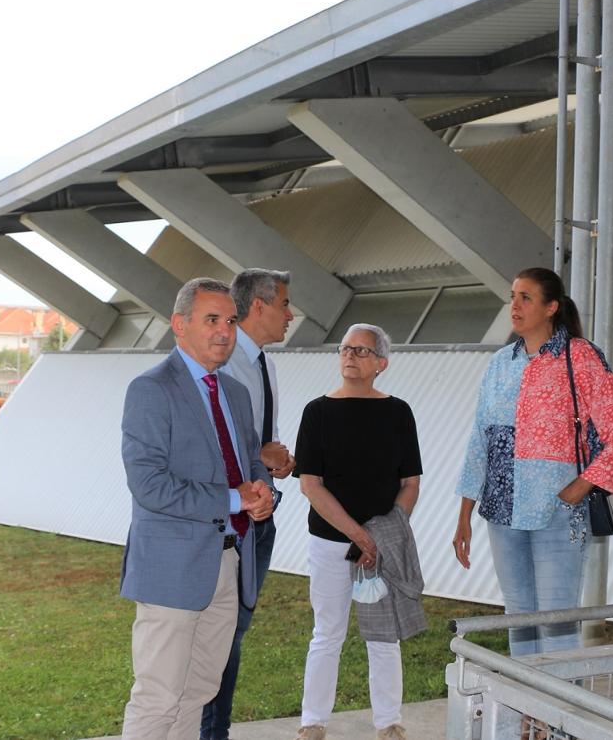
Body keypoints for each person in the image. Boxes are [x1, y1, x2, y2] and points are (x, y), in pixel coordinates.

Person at [452, 267, 613, 656]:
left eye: (526, 298)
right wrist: (464, 513)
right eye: (513, 296)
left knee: (557, 625)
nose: (514, 306)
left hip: (557, 513)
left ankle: (559, 717)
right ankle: (528, 716)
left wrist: (578, 487)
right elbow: (479, 439)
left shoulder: (580, 357)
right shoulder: (500, 363)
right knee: (519, 620)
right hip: (501, 513)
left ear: (552, 307)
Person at [119, 277, 275, 739]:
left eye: (229, 320)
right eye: (212, 320)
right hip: (172, 568)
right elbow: (148, 483)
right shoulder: (150, 389)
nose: (224, 331)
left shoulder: (236, 394)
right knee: (159, 695)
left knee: (199, 690)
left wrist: (264, 494)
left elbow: (250, 464)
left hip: (228, 561)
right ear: (179, 325)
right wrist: (234, 500)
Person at [293, 323, 422, 740]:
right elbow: (311, 484)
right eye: (346, 348)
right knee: (327, 632)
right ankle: (313, 722)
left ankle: (389, 723)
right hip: (331, 542)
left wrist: (382, 534)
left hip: (380, 546)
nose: (350, 356)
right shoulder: (318, 411)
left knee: (384, 637)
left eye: (362, 351)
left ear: (381, 364)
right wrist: (358, 535)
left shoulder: (398, 412)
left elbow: (410, 483)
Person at [200, 269, 297, 740]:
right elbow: (213, 446)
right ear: (258, 306)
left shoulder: (265, 365)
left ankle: (215, 730)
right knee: (219, 633)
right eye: (283, 303)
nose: (290, 314)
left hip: (260, 516)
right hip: (227, 520)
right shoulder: (221, 363)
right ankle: (210, 732)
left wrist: (273, 459)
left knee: (234, 632)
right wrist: (261, 455)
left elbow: (253, 441)